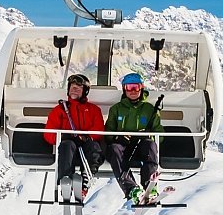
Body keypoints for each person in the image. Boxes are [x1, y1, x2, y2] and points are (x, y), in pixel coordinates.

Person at [42, 73, 105, 202]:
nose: (74, 89)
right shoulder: (60, 110)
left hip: (86, 151)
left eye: (78, 87)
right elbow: (49, 134)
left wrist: (85, 137)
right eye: (72, 87)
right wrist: (64, 136)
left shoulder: (94, 110)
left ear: (85, 91)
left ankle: (85, 179)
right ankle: (66, 182)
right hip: (68, 153)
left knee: (94, 146)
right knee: (67, 144)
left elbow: (99, 130)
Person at [104, 72, 162, 206]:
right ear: (124, 89)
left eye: (136, 87)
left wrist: (148, 136)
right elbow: (108, 133)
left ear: (141, 88)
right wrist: (118, 137)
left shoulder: (150, 110)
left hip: (141, 147)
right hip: (123, 148)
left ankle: (150, 185)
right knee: (114, 149)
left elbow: (159, 133)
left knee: (150, 145)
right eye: (129, 87)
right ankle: (132, 189)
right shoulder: (116, 109)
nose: (133, 91)